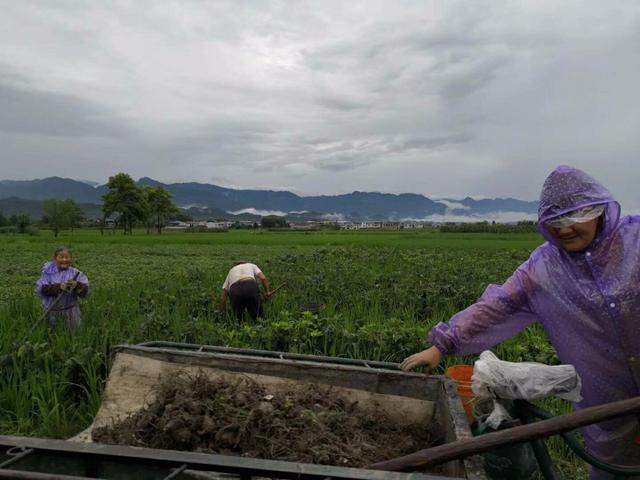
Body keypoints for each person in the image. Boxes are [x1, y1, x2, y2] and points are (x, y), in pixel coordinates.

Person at [401, 165, 640, 479]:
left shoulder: (634, 241)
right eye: (555, 222)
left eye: (573, 218)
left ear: (598, 212)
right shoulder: (544, 268)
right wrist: (443, 344)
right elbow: (498, 305)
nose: (564, 229)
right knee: (618, 472)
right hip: (608, 405)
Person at [35, 246, 90, 329]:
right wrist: (59, 287)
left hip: (72, 311)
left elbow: (85, 292)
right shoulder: (48, 273)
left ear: (71, 259)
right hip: (52, 311)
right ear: (55, 258)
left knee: (73, 335)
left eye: (67, 257)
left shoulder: (76, 273)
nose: (64, 260)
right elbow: (43, 290)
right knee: (53, 334)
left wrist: (77, 285)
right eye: (61, 257)